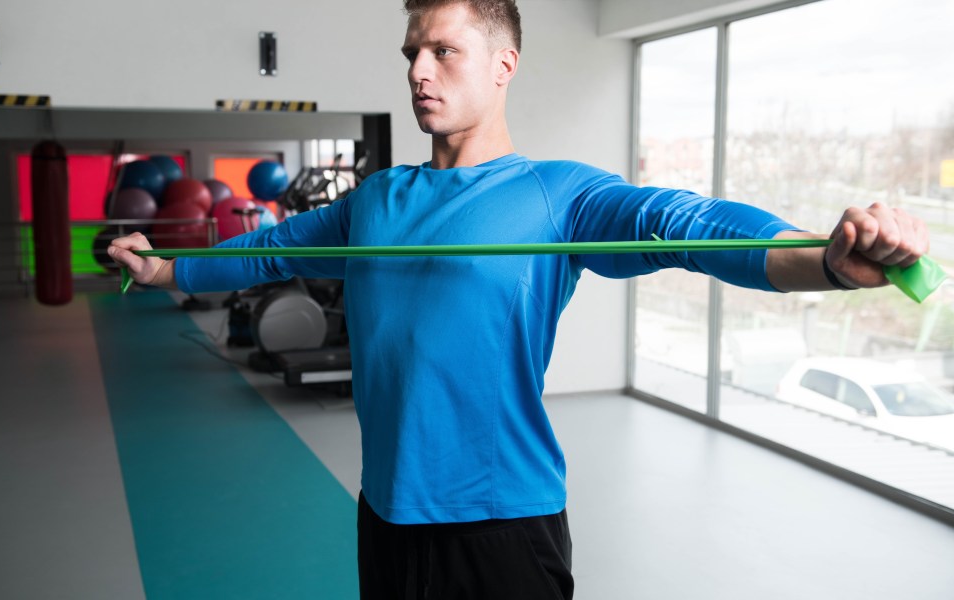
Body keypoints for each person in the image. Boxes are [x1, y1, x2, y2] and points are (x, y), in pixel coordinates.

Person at [109, 1, 930, 598]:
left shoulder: (556, 195)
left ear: (503, 65)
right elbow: (267, 250)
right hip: (386, 511)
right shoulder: (377, 198)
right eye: (410, 52)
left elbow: (686, 223)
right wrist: (166, 272)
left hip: (503, 521)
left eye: (443, 51)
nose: (418, 71)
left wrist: (820, 259)